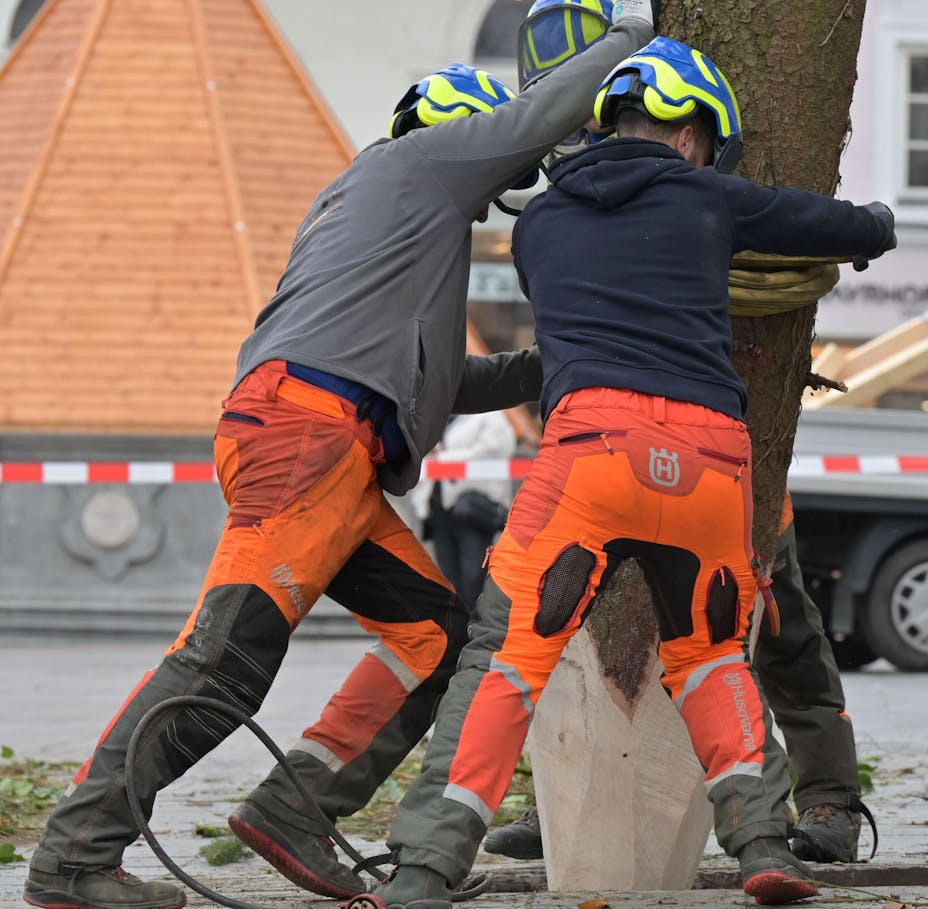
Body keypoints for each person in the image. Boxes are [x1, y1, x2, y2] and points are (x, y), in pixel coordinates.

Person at [20, 7, 655, 909]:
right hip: (309, 440)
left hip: (329, 448)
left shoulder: (381, 222)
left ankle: (297, 805)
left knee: (433, 636)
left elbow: (436, 382)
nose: (492, 186)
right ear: (448, 134)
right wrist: (633, 32)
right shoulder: (417, 167)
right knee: (221, 660)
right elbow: (533, 119)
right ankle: (74, 856)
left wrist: (558, 364)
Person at [353, 37, 895, 909]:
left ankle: (425, 865)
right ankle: (763, 844)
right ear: (687, 134)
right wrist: (876, 225)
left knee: (506, 658)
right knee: (715, 653)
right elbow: (818, 222)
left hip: (590, 454)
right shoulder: (706, 195)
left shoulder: (539, 223)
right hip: (713, 458)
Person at [481, 491, 874, 865]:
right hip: (606, 481)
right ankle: (564, 805)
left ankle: (828, 799)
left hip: (730, 481)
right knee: (572, 630)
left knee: (780, 638)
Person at [417, 411, 519, 607]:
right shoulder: (438, 413)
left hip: (471, 512)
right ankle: (460, 634)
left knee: (473, 582)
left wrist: (445, 458)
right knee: (450, 585)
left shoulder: (490, 414)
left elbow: (500, 447)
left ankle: (476, 631)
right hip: (438, 511)